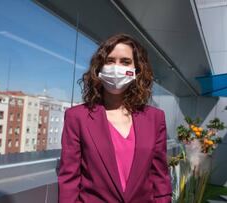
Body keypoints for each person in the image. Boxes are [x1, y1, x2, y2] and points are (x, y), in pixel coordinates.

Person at [58, 33, 172, 203]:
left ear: (137, 70)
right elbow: (69, 178)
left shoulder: (155, 118)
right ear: (99, 68)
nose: (116, 67)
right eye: (110, 61)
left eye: (125, 62)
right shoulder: (77, 117)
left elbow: (159, 176)